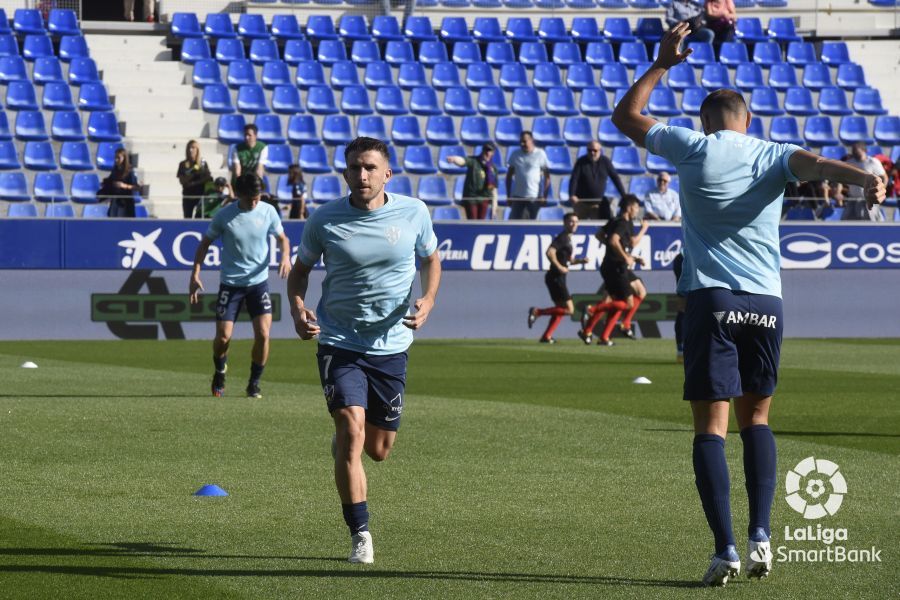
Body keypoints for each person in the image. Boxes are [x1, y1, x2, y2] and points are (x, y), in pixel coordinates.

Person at [610, 22, 885, 586]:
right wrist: (865, 180)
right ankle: (762, 535)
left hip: (711, 299)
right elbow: (818, 165)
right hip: (766, 302)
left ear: (704, 122)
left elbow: (626, 116)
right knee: (757, 418)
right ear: (749, 120)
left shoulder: (691, 146)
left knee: (710, 428)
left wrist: (662, 63)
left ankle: (726, 549)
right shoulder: (773, 153)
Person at [287, 137, 441, 565]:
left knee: (379, 449)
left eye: (370, 167)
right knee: (351, 430)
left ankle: (345, 443)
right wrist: (298, 309)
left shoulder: (414, 212)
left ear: (387, 173)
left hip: (391, 345)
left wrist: (429, 299)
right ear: (345, 173)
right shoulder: (324, 219)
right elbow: (299, 273)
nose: (362, 175)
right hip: (339, 340)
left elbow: (431, 259)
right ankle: (360, 534)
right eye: (354, 167)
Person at [189, 173, 292, 399]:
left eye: (257, 197)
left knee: (263, 334)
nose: (255, 202)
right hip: (231, 284)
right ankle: (220, 371)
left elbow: (283, 238)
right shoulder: (225, 215)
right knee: (223, 337)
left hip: (258, 283)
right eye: (250, 198)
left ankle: (254, 383)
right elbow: (204, 244)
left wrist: (285, 256)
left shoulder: (268, 211)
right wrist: (195, 273)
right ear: (239, 194)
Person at [578, 195, 648, 346]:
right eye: (636, 207)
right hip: (615, 267)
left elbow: (600, 235)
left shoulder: (617, 221)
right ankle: (592, 310)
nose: (638, 210)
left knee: (631, 295)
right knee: (627, 303)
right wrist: (625, 255)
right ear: (629, 207)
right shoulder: (622, 223)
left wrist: (630, 257)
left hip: (614, 265)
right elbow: (613, 240)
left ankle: (598, 334)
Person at [527, 213, 589, 343]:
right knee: (570, 310)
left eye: (576, 222)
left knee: (560, 309)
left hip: (556, 277)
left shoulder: (568, 239)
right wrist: (560, 267)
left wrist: (580, 261)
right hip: (556, 277)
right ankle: (537, 312)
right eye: (571, 221)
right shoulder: (563, 238)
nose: (574, 224)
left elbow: (569, 260)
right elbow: (550, 252)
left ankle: (546, 336)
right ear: (565, 223)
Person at [569, 141, 627, 220]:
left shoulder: (605, 162)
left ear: (600, 150)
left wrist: (624, 195)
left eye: (595, 150)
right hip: (581, 203)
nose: (592, 153)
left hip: (597, 203)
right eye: (589, 150)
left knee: (597, 224)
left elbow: (615, 178)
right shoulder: (581, 162)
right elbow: (574, 179)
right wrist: (572, 194)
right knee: (579, 224)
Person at [447, 143, 498, 220]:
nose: (488, 153)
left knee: (481, 222)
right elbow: (463, 161)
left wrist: (494, 209)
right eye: (486, 150)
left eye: (490, 151)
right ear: (483, 150)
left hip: (484, 198)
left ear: (493, 153)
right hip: (471, 198)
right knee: (473, 221)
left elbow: (494, 189)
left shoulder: (493, 168)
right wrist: (454, 159)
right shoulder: (474, 161)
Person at [506, 131, 550, 220]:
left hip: (534, 197)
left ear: (531, 140)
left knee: (532, 224)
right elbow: (509, 176)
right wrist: (508, 195)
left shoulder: (540, 154)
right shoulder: (515, 154)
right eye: (521, 142)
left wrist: (544, 196)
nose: (522, 144)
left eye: (524, 141)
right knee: (514, 223)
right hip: (518, 196)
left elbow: (547, 177)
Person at [842, 142, 887, 221]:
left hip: (869, 199)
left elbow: (884, 177)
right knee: (846, 223)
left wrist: (880, 192)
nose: (854, 153)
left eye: (856, 151)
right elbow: (840, 178)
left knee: (872, 223)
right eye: (853, 151)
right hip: (853, 199)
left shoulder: (873, 162)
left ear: (864, 150)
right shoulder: (849, 163)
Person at [100, 148, 140, 218]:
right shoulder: (115, 170)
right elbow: (111, 180)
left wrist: (124, 186)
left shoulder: (130, 171)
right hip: (115, 201)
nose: (116, 160)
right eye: (115, 157)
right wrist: (106, 183)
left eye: (118, 158)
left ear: (124, 158)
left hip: (126, 203)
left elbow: (136, 187)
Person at [177, 140, 212, 219]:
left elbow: (208, 178)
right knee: (187, 218)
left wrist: (193, 183)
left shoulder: (203, 163)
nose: (190, 150)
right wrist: (193, 173)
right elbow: (182, 181)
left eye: (193, 148)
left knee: (200, 218)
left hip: (200, 196)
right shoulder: (183, 164)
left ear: (197, 149)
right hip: (188, 196)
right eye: (189, 148)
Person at [229, 124, 268, 189]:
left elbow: (260, 168)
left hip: (253, 181)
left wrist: (258, 186)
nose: (246, 137)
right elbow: (237, 169)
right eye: (245, 135)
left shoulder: (262, 147)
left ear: (255, 136)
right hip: (239, 181)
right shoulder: (237, 148)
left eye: (249, 135)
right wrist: (240, 185)